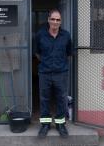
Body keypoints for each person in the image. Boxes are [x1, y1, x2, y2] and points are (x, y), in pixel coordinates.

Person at [35, 8, 72, 138]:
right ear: (48, 20)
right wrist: (47, 62)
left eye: (58, 20)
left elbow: (68, 54)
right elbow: (37, 53)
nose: (55, 22)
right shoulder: (40, 35)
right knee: (44, 98)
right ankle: (45, 125)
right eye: (53, 19)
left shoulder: (66, 36)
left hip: (60, 73)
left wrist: (58, 64)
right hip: (44, 72)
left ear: (60, 22)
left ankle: (60, 124)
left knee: (61, 99)